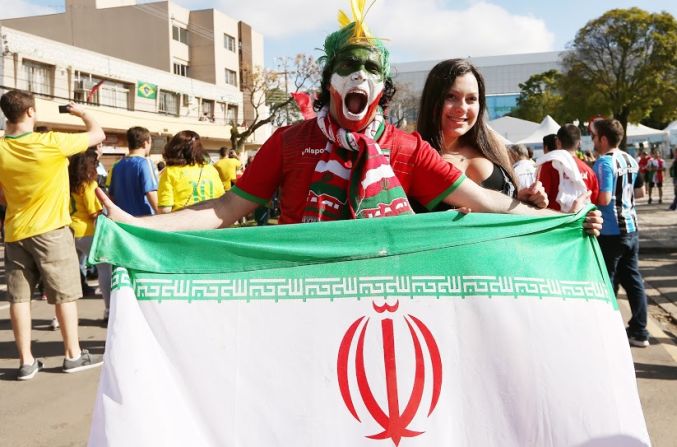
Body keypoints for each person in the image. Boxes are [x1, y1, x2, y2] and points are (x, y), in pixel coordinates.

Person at [97, 7, 601, 236]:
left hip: (387, 301)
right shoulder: (289, 142)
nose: (358, 75)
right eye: (346, 66)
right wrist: (140, 224)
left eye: (371, 69)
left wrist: (561, 219)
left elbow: (487, 201)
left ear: (380, 89)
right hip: (302, 301)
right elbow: (226, 208)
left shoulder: (406, 148)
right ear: (329, 82)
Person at [0, 90, 105, 380]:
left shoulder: (1, 147)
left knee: (19, 298)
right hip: (52, 231)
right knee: (64, 296)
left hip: (15, 233)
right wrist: (80, 112)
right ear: (31, 112)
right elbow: (97, 134)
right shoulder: (52, 142)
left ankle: (26, 362)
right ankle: (72, 355)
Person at [415, 58, 546, 209]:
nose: (462, 108)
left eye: (471, 99)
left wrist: (522, 200)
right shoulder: (413, 157)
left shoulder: (493, 145)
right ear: (433, 100)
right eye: (451, 97)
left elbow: (504, 206)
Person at [591, 118, 650, 348]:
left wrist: (587, 197)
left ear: (604, 139)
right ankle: (640, 330)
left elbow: (604, 198)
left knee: (608, 280)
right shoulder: (630, 159)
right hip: (631, 227)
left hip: (610, 230)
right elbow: (641, 192)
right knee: (633, 279)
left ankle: (607, 329)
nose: (593, 141)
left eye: (595, 137)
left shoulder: (604, 162)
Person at [69, 147, 113, 321]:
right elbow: (94, 212)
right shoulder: (88, 184)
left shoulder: (67, 184)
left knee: (68, 276)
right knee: (105, 269)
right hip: (87, 232)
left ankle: (59, 317)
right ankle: (109, 310)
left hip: (68, 231)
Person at [158, 131, 225, 213]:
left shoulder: (170, 172)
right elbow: (222, 200)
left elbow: (165, 210)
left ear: (173, 148)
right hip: (211, 222)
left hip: (183, 222)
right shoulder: (211, 170)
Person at [536, 124, 599, 212]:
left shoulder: (547, 166)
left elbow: (538, 198)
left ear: (557, 142)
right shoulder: (589, 171)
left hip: (554, 222)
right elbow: (593, 200)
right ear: (579, 143)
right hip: (582, 222)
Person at [108, 126, 158, 216]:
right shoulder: (145, 163)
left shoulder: (117, 165)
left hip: (123, 219)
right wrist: (160, 213)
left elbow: (112, 196)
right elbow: (151, 192)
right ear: (145, 143)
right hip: (143, 218)